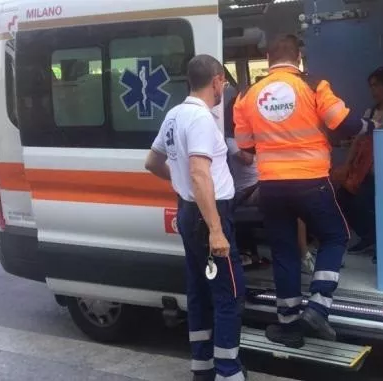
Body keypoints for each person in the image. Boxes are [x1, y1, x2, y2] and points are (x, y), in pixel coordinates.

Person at [233, 34, 376, 348]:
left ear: (269, 58)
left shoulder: (247, 95)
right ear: (298, 58)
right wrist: (370, 126)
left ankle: (288, 325)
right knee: (336, 235)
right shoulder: (313, 86)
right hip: (312, 182)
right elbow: (346, 124)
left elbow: (245, 146)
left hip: (270, 186)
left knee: (284, 251)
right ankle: (319, 306)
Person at [144, 54, 246, 381]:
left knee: (200, 292)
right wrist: (217, 230)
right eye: (224, 83)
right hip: (208, 215)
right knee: (228, 294)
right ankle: (229, 372)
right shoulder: (201, 119)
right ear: (216, 80)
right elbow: (201, 174)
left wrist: (179, 184)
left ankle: (202, 368)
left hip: (189, 212)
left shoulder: (174, 115)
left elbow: (151, 162)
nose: (224, 89)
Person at [218, 94, 316, 274]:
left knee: (301, 191)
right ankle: (303, 255)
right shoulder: (231, 140)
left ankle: (304, 249)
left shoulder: (254, 135)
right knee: (290, 194)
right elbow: (247, 159)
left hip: (264, 182)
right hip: (247, 191)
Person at [332, 66, 383, 263]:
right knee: (343, 198)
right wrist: (347, 166)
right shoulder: (370, 112)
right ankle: (370, 236)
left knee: (375, 205)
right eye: (371, 86)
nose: (373, 90)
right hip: (366, 170)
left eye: (377, 85)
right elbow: (359, 140)